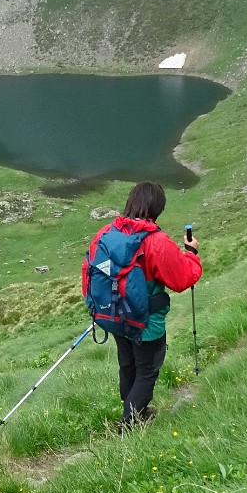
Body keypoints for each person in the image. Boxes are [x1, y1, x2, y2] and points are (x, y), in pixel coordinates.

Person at [82, 181, 202, 433]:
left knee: (127, 364)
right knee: (146, 371)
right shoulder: (156, 241)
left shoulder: (105, 234)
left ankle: (134, 411)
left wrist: (97, 306)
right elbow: (182, 279)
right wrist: (191, 254)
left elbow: (89, 270)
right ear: (157, 208)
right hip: (146, 321)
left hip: (114, 315)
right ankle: (129, 427)